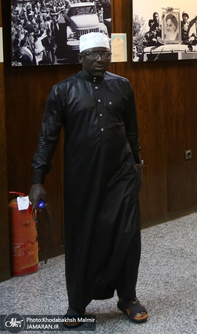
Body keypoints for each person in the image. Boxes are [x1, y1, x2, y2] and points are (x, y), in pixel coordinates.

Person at [29, 32, 146, 325]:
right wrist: (37, 179)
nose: (100, 59)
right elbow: (47, 137)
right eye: (93, 54)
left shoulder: (122, 86)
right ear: (80, 57)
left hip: (121, 175)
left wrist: (138, 163)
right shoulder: (63, 91)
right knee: (82, 239)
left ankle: (128, 298)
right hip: (82, 178)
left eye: (105, 53)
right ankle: (77, 305)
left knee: (127, 235)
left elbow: (131, 130)